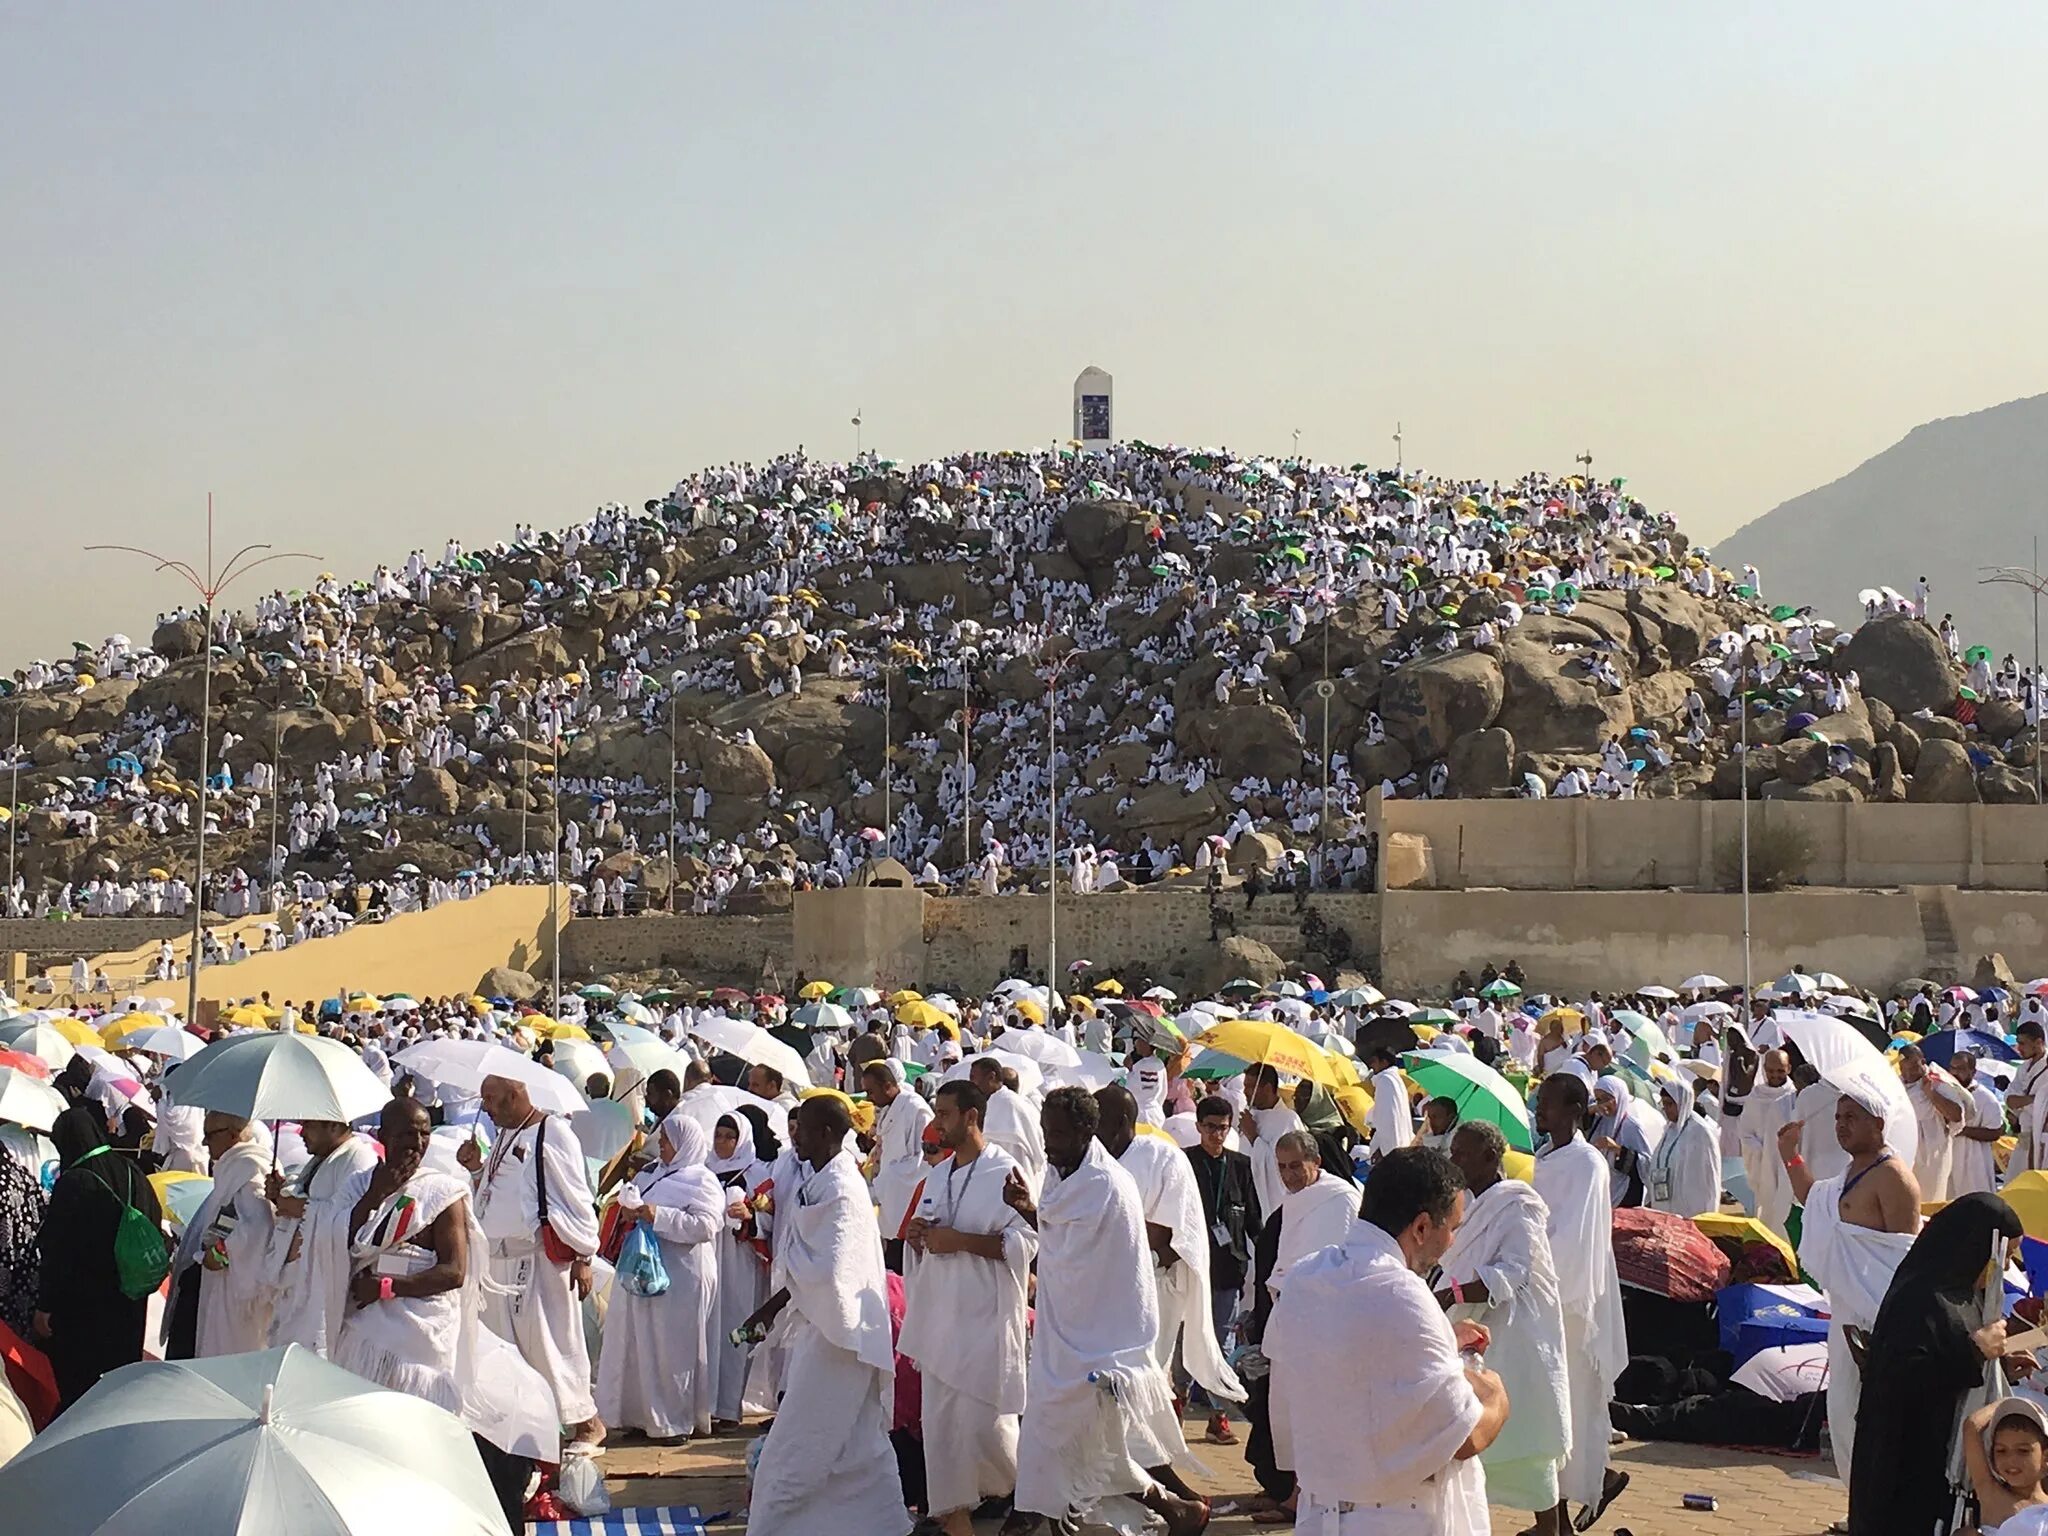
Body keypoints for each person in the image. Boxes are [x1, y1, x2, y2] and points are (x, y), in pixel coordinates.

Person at [1265, 1146, 1509, 1535]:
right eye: (1453, 1229)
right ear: (1422, 1227)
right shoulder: (1403, 1294)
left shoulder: (1306, 1277)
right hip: (1393, 1519)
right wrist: (1495, 1394)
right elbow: (1464, 1436)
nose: (1451, 1245)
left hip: (1320, 1512)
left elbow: (1354, 1357)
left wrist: (1444, 1341)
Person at [999, 1086, 1207, 1536]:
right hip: (1063, 1340)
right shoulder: (1062, 1177)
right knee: (1066, 1442)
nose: (1047, 1143)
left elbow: (1085, 1252)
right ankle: (1173, 1508)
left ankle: (1171, 1507)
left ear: (1085, 1130)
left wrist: (1035, 1213)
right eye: (1044, 1132)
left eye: (1055, 1133)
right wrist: (1027, 1208)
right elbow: (1059, 1236)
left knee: (1086, 1444)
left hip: (1103, 1344)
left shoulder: (1105, 1184)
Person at [741, 1094, 908, 1536]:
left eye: (806, 1128)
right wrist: (771, 1308)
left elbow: (834, 1275)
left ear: (828, 1134)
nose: (796, 1135)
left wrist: (784, 1290)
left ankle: (771, 1526)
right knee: (858, 1445)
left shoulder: (843, 1191)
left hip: (844, 1335)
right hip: (825, 1329)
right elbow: (809, 1266)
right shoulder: (819, 1181)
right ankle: (884, 1523)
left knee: (792, 1447)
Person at [899, 1079, 1036, 1536]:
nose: (937, 1123)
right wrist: (919, 1238)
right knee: (942, 1440)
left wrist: (961, 1242)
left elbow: (1027, 1242)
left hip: (985, 1325)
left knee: (989, 1433)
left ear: (971, 1117)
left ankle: (1041, 1496)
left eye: (945, 1114)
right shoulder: (938, 1175)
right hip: (941, 1326)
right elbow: (922, 1241)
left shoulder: (1006, 1170)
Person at [1846, 1193, 2027, 1536]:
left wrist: (1998, 1367)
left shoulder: (1966, 1293)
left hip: (1942, 1460)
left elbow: (1953, 1362)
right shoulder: (1919, 1297)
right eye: (2002, 1255)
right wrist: (1974, 1352)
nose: (2004, 1267)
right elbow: (1900, 1380)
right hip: (1902, 1459)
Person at [1777, 1082, 1921, 1486]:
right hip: (1847, 1312)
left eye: (1852, 1118)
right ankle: (1859, 1503)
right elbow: (1813, 1200)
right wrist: (1790, 1156)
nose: (1842, 1126)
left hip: (1880, 1316)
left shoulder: (1894, 1176)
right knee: (1843, 1410)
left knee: (1875, 1413)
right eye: (1838, 1117)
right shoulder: (1848, 1173)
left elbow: (1901, 1257)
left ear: (1877, 1123)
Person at [1438, 1120, 1573, 1534]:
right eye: (1452, 1152)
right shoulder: (1472, 1203)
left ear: (1490, 1157)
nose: (1454, 1160)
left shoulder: (1518, 1203)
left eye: (1462, 1153)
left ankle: (1549, 1527)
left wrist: (1451, 1294)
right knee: (1472, 1435)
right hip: (1479, 1336)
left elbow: (1512, 1273)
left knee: (1528, 1437)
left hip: (1521, 1336)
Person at [1093, 1087, 1243, 1429]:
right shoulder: (1091, 1158)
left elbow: (1169, 1231)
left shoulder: (1163, 1157)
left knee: (1143, 1375)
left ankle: (1144, 1458)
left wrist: (1109, 1228)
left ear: (1118, 1122)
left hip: (1154, 1285)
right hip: (1102, 1287)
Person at [472, 1072, 604, 1448]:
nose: (486, 1107)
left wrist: (582, 1255)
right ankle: (530, 1429)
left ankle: (587, 1424)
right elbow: (503, 1192)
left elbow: (576, 1198)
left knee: (550, 1347)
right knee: (509, 1353)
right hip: (500, 1263)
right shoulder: (504, 1134)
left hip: (539, 1262)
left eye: (492, 1098)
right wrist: (476, 1169)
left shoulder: (554, 1132)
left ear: (515, 1095)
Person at [1533, 1073, 1630, 1531]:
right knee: (1547, 1408)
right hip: (1541, 1293)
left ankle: (1586, 1489)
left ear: (1574, 1110)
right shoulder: (1544, 1157)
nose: (1540, 1110)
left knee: (1573, 1401)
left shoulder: (1589, 1163)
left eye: (1548, 1103)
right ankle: (1556, 1518)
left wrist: (1531, 1268)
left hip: (1573, 1299)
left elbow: (1573, 1236)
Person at [597, 1110, 725, 1441]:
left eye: (668, 1141)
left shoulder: (702, 1180)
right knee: (638, 1341)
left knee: (673, 1348)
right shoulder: (652, 1174)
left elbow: (707, 1225)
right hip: (643, 1270)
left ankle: (672, 1420)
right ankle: (640, 1415)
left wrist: (660, 1216)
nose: (663, 1146)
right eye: (663, 1140)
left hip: (681, 1276)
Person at [33, 1107, 163, 1408]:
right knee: (119, 1382)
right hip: (129, 1296)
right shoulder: (131, 1170)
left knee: (80, 1388)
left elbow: (58, 1252)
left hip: (84, 1308)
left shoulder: (75, 1181)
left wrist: (45, 1305)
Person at [262, 1117, 380, 1353]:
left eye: (309, 1126)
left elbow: (349, 1217)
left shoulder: (358, 1159)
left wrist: (295, 1206)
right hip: (296, 1280)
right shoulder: (322, 1158)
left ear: (334, 1126)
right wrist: (281, 1193)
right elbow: (311, 1198)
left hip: (321, 1286)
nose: (302, 1133)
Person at [166, 1112, 277, 1358]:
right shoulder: (234, 1165)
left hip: (237, 1290)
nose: (205, 1143)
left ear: (233, 1134)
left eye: (210, 1135)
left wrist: (220, 1254)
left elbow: (259, 1226)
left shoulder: (250, 1169)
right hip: (223, 1284)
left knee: (229, 1351)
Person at [1185, 1093, 1260, 1446]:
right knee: (1184, 1340)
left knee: (1222, 1342)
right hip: (1191, 1267)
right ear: (1199, 1127)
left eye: (1223, 1128)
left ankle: (1219, 1417)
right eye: (1211, 1128)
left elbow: (1254, 1221)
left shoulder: (1241, 1165)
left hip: (1229, 1266)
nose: (1217, 1135)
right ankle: (1176, 1409)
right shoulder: (1185, 1163)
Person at [707, 1110, 771, 1426]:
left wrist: (751, 1217)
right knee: (709, 1329)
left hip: (741, 1263)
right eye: (718, 1135)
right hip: (709, 1259)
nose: (722, 1143)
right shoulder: (703, 1170)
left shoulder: (756, 1173)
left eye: (729, 1137)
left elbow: (773, 1216)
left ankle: (730, 1405)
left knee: (737, 1329)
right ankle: (704, 1402)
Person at [865, 1060, 934, 1271]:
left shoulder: (916, 1109)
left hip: (909, 1200)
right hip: (891, 1196)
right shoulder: (888, 1108)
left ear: (888, 1086)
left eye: (871, 1091)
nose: (869, 1098)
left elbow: (925, 1159)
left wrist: (889, 1178)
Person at [1962, 1396, 2048, 1535]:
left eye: (2023, 1451)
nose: (2011, 1460)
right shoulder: (1991, 1493)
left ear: (2046, 1456)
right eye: (2001, 1451)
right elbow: (1971, 1426)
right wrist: (2006, 1400)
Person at [1645, 1076, 1721, 1218]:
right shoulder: (1670, 1130)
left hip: (1689, 1210)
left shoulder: (1700, 1132)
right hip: (1665, 1206)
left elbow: (1706, 1181)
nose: (1666, 1109)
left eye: (1670, 1104)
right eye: (1664, 1104)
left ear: (1682, 1102)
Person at [1901, 1043, 1967, 1202]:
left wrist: (1930, 1094)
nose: (1909, 1074)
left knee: (1931, 1199)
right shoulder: (1897, 1084)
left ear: (1923, 1061)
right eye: (1905, 1069)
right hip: (1907, 1151)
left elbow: (1956, 1115)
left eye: (1913, 1068)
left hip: (1933, 1154)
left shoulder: (1938, 1082)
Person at [971, 1057, 1046, 1194]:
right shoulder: (1002, 1101)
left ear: (991, 1077)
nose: (972, 1084)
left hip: (1015, 1170)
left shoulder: (1007, 1103)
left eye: (973, 1078)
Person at [1951, 1050, 2009, 1199]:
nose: (1955, 1073)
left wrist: (1963, 1130)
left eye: (1961, 1069)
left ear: (1973, 1071)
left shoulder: (1986, 1098)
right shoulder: (1946, 1094)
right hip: (1950, 1163)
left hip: (1974, 1165)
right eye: (1953, 1068)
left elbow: (1995, 1132)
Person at [1363, 1046, 1413, 1163]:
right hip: (1399, 1143)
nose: (1371, 1065)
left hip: (1390, 1148)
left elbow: (1388, 1120)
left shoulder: (1386, 1081)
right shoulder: (1393, 1080)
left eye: (1374, 1061)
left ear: (1384, 1062)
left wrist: (1384, 1149)